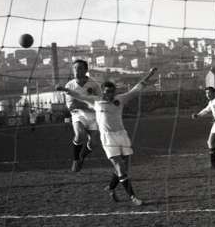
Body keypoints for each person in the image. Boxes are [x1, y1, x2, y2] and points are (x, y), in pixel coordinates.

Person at [57, 68, 157, 206]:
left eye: (112, 91)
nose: (110, 94)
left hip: (122, 135)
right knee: (119, 166)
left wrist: (150, 74)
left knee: (124, 167)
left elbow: (136, 89)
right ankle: (133, 197)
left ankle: (111, 187)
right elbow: (78, 95)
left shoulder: (120, 99)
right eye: (107, 91)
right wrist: (64, 89)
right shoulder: (95, 101)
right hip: (108, 139)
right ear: (103, 91)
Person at [63, 59, 102, 172]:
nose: (76, 70)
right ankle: (75, 159)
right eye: (75, 68)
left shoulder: (94, 84)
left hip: (93, 117)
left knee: (93, 144)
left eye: (80, 68)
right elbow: (72, 106)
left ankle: (81, 157)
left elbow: (100, 101)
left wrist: (84, 104)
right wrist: (90, 103)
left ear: (85, 70)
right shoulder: (69, 85)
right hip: (78, 115)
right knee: (80, 134)